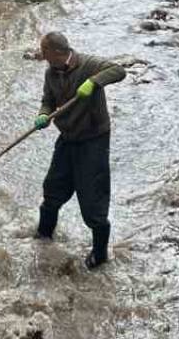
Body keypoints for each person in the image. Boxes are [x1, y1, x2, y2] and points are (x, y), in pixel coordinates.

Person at [33, 32, 127, 270]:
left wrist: (94, 82)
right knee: (52, 189)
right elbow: (47, 99)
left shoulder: (88, 65)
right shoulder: (51, 73)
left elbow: (119, 70)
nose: (42, 57)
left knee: (92, 199)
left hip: (93, 140)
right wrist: (44, 114)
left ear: (56, 52)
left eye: (44, 52)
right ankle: (43, 237)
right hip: (67, 138)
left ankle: (100, 255)